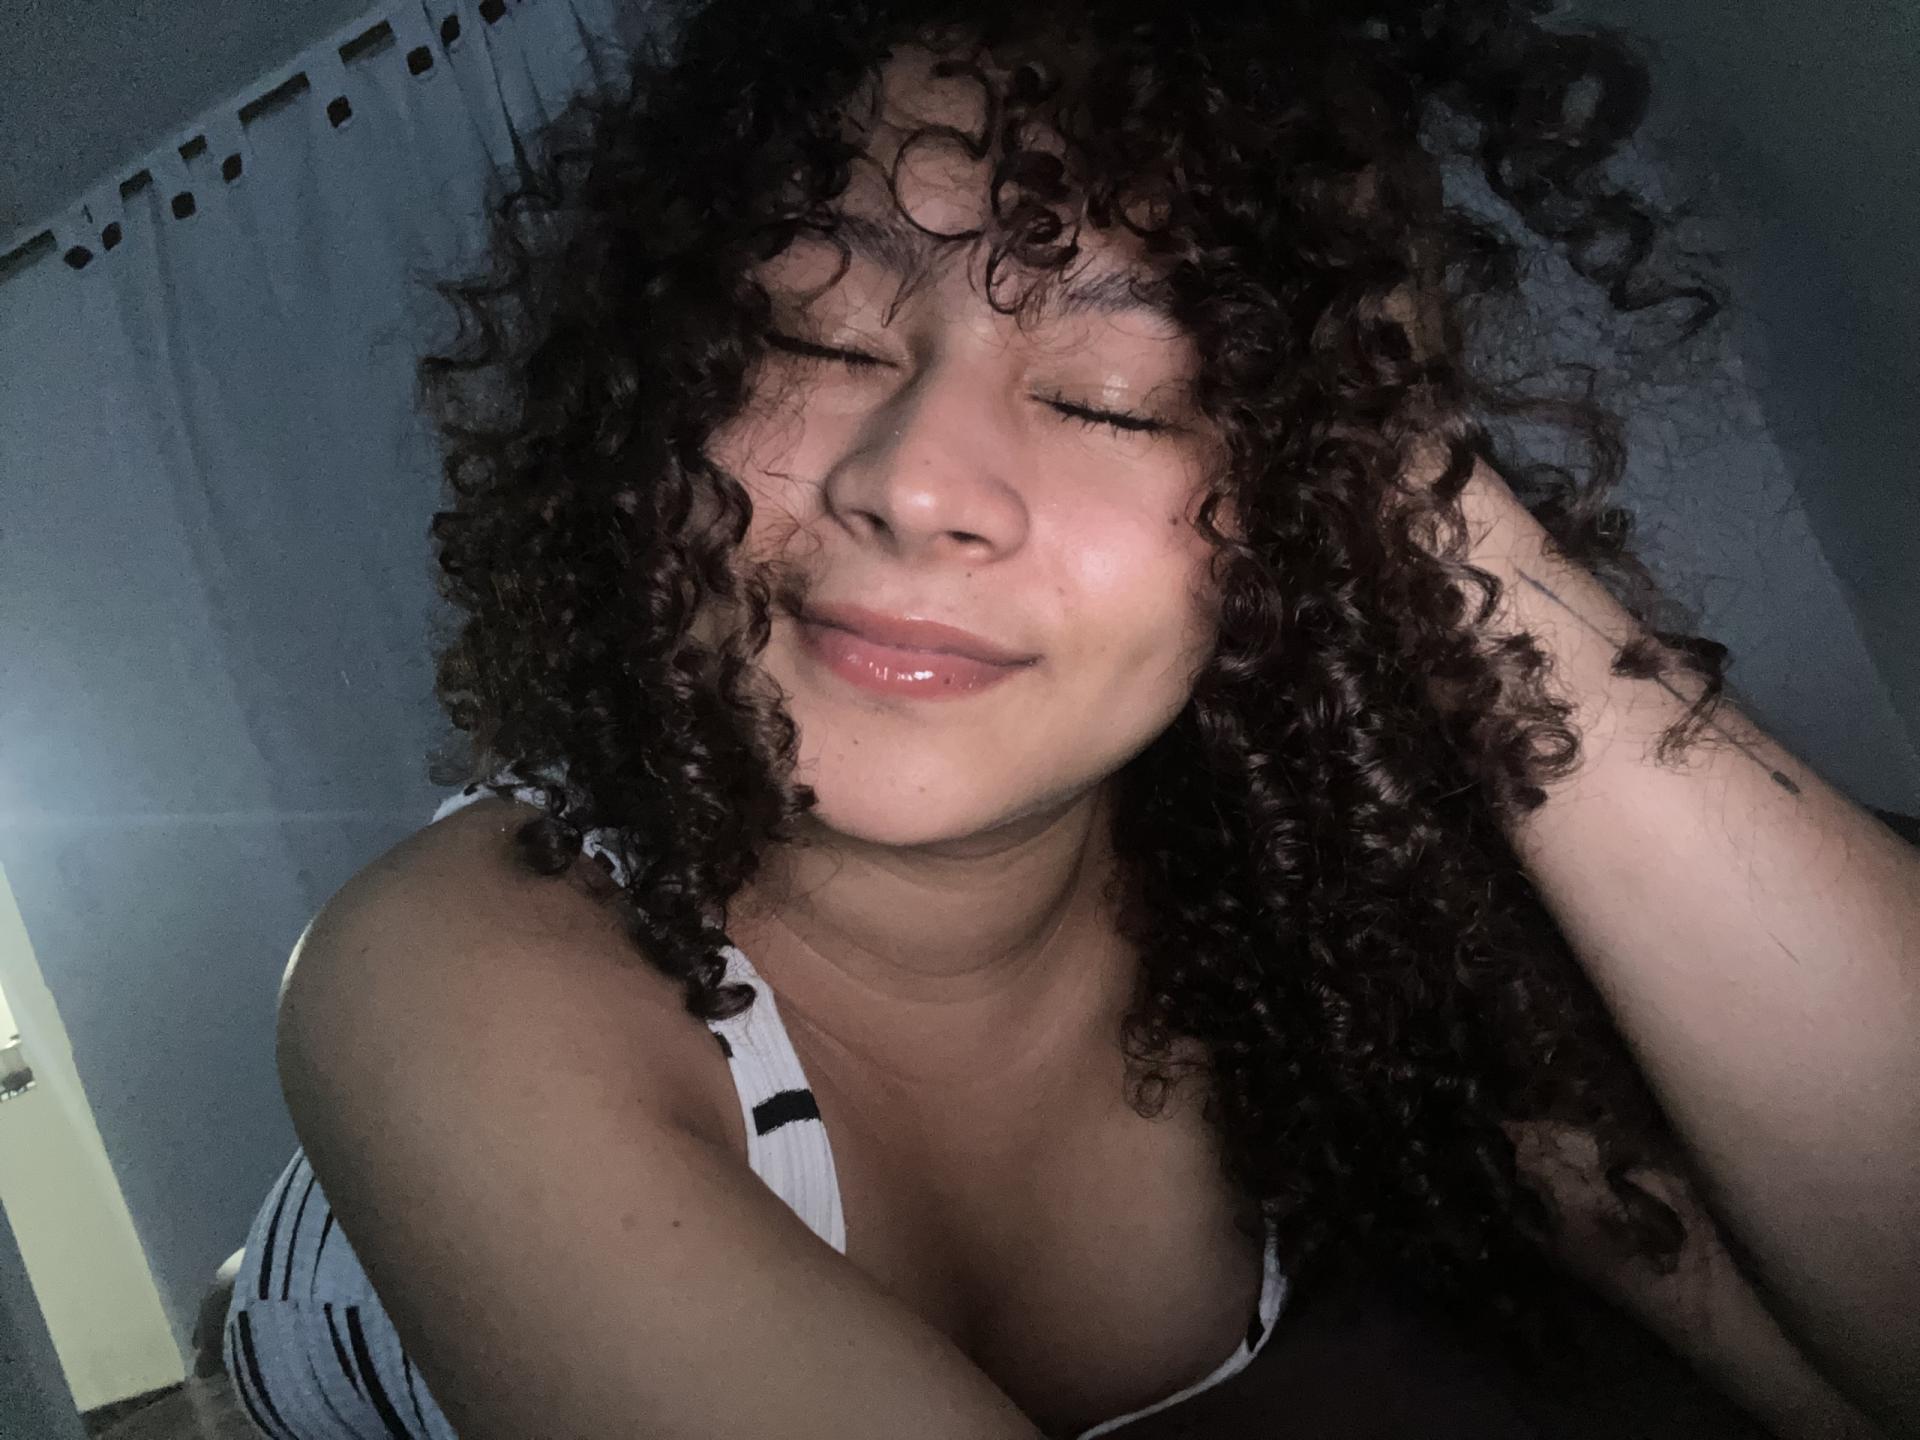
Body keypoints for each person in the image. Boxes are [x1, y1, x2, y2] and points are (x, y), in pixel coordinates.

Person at [222, 0, 1920, 1436]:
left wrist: (1406, 475)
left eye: (1122, 399)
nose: (915, 485)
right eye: (815, 331)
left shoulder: (1309, 941)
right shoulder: (455, 968)